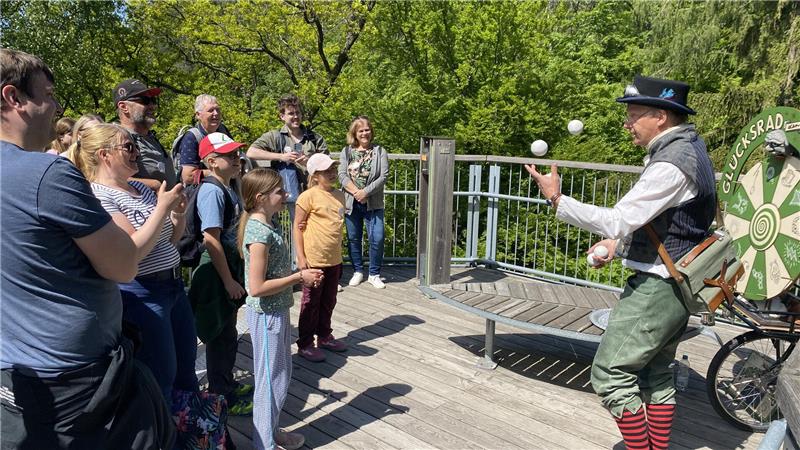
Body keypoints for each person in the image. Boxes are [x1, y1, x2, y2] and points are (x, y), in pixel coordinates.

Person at [526, 75, 715, 450]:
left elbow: (619, 218)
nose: (626, 123)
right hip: (677, 281)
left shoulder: (672, 163)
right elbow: (659, 219)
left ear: (660, 116)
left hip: (658, 286)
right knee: (656, 373)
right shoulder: (688, 149)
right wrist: (615, 245)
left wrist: (558, 201)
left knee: (610, 373)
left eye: (632, 114)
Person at [1, 48, 174, 449]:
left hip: (15, 375)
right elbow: (123, 264)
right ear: (14, 99)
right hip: (80, 384)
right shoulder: (47, 172)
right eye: (48, 94)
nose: (57, 105)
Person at [69, 122, 198, 410]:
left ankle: (194, 434)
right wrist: (163, 209)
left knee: (186, 369)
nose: (136, 152)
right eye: (128, 146)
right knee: (161, 377)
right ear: (104, 155)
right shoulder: (100, 196)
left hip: (174, 286)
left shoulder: (140, 187)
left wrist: (177, 215)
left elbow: (170, 240)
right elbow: (131, 252)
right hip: (143, 293)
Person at [238, 168, 323, 450]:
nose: (285, 195)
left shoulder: (266, 224)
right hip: (266, 315)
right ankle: (264, 444)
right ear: (261, 198)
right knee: (268, 381)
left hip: (277, 310)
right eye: (279, 192)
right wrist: (300, 276)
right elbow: (257, 287)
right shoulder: (258, 232)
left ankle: (271, 431)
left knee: (280, 375)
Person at [188, 132, 254, 415]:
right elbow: (211, 239)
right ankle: (220, 395)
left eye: (236, 154)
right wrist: (228, 281)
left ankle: (224, 383)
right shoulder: (213, 191)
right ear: (212, 161)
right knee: (218, 335)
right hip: (215, 272)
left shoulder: (226, 186)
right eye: (229, 155)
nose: (236, 159)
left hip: (226, 267)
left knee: (227, 333)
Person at [293, 153, 348, 362]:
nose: (332, 173)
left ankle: (324, 335)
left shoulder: (340, 195)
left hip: (334, 258)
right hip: (314, 258)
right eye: (326, 171)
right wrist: (301, 257)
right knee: (310, 303)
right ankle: (305, 343)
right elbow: (297, 227)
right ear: (315, 175)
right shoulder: (308, 196)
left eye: (333, 169)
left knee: (329, 300)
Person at [246, 94, 328, 223]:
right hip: (286, 195)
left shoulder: (315, 138)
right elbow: (251, 152)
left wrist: (309, 161)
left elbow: (328, 166)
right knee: (296, 228)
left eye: (298, 113)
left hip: (314, 193)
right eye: (291, 113)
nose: (295, 117)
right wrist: (281, 157)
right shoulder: (275, 136)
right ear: (282, 116)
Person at [338, 116, 390, 289]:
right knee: (354, 238)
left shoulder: (380, 151)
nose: (364, 133)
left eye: (367, 129)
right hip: (351, 202)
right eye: (361, 130)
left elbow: (383, 176)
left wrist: (365, 192)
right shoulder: (346, 152)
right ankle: (358, 271)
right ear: (355, 133)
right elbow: (341, 175)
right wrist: (356, 193)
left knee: (378, 237)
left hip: (373, 202)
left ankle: (374, 274)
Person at [114, 78, 177, 190]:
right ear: (124, 107)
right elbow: (111, 178)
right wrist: (154, 185)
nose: (153, 106)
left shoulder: (151, 138)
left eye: (153, 100)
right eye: (145, 100)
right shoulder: (118, 139)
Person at [178, 94, 231, 185]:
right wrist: (220, 172)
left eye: (218, 109)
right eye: (211, 110)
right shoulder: (192, 137)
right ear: (198, 115)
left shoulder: (223, 131)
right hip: (203, 193)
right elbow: (187, 177)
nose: (216, 113)